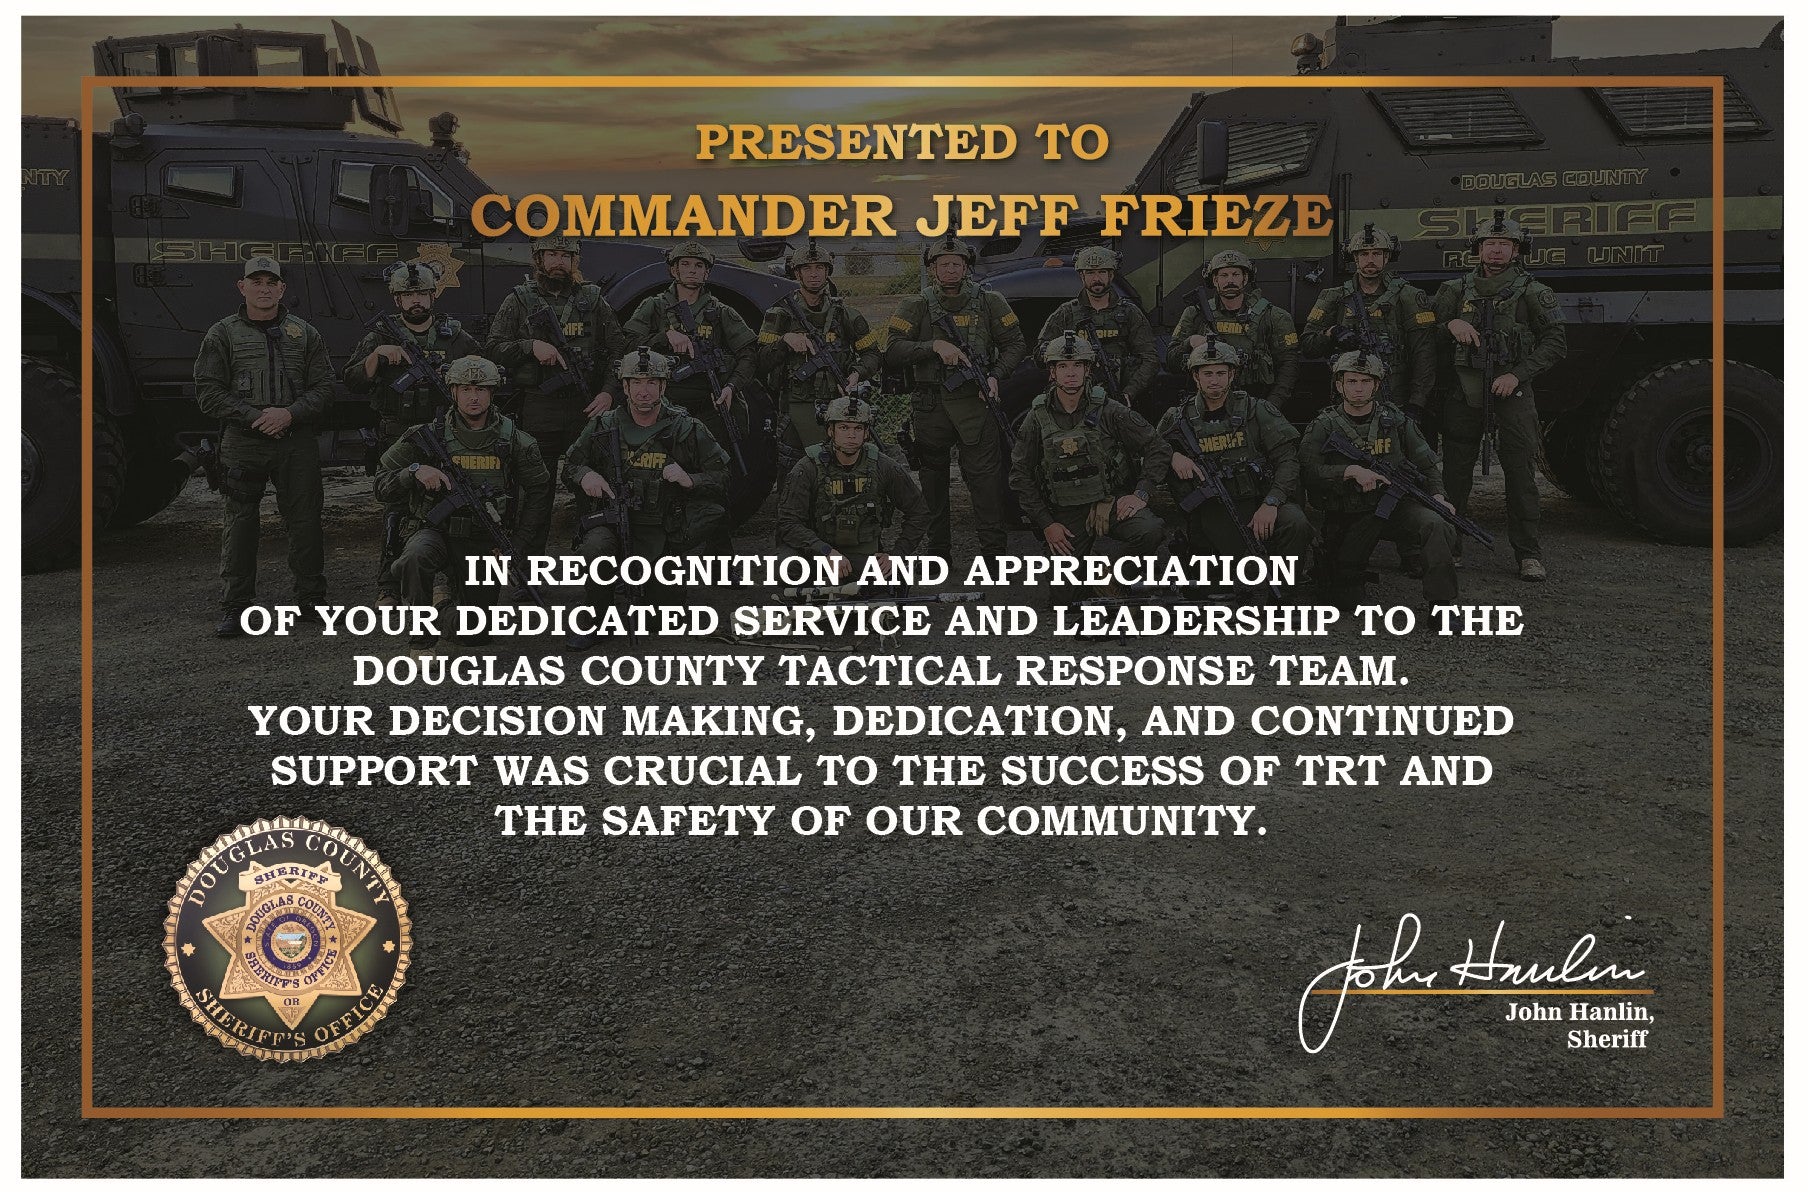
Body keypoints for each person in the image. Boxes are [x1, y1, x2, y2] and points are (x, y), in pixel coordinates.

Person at [192, 256, 332, 638]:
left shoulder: (305, 334)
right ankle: (236, 606)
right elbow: (208, 392)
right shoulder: (222, 334)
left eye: (272, 282)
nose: (264, 289)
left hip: (295, 441)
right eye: (256, 282)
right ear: (242, 287)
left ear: (282, 289)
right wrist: (255, 417)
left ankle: (311, 599)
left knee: (305, 522)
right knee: (240, 524)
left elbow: (324, 388)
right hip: (244, 442)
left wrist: (289, 414)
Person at [373, 355, 552, 648]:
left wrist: (516, 546)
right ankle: (422, 637)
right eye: (466, 389)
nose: (474, 397)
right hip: (435, 531)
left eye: (481, 389)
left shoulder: (516, 440)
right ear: (453, 392)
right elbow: (381, 485)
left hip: (482, 541)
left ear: (492, 392)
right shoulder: (426, 436)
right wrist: (414, 471)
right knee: (414, 556)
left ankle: (441, 600)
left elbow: (539, 493)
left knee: (474, 635)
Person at [1432, 210, 1568, 581]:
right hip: (1464, 391)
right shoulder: (1455, 290)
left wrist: (1516, 374)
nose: (1496, 250)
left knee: (1521, 474)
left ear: (1517, 250)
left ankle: (1528, 553)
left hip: (1512, 391)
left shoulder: (1533, 293)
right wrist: (1451, 324)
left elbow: (1556, 342)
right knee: (1455, 474)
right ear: (1478, 249)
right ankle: (1451, 545)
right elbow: (1426, 334)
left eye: (1504, 244)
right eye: (1489, 243)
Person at [559, 348, 730, 642]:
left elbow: (722, 476)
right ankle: (597, 617)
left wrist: (690, 479)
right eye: (636, 382)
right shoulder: (604, 424)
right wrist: (585, 475)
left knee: (663, 621)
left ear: (663, 386)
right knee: (596, 548)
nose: (644, 391)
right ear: (624, 387)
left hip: (662, 529)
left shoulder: (686, 428)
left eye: (652, 382)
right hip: (613, 523)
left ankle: (657, 587)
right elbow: (571, 465)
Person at [1299, 224, 1439, 577]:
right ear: (1353, 258)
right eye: (1363, 254)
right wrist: (1333, 333)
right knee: (1348, 466)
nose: (1370, 260)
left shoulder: (1408, 297)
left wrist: (1416, 404)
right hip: (1351, 400)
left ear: (1387, 257)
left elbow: (1424, 355)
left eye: (1377, 253)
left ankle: (1410, 549)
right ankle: (1342, 541)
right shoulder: (1335, 297)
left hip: (1397, 397)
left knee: (1402, 471)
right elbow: (1308, 344)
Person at [342, 260, 480, 603]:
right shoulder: (381, 336)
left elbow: (482, 371)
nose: (415, 300)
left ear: (433, 296)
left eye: (421, 293)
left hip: (444, 434)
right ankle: (388, 584)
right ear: (397, 299)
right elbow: (352, 381)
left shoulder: (455, 336)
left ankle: (442, 582)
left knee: (449, 504)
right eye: (408, 295)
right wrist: (377, 356)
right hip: (399, 434)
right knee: (396, 508)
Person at [882, 233, 1027, 560]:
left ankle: (993, 555)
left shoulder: (989, 301)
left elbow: (1015, 344)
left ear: (966, 267)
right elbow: (893, 350)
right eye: (943, 264)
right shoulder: (915, 305)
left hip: (976, 402)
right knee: (933, 485)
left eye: (956, 263)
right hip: (931, 405)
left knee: (986, 484)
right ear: (932, 269)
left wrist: (995, 374)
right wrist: (933, 346)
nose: (950, 269)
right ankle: (937, 553)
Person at [1298, 352, 1458, 609]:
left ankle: (1441, 604)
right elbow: (1308, 472)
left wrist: (1438, 496)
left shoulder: (1395, 421)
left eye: (1365, 381)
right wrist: (1349, 471)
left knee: (1435, 523)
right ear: (1339, 385)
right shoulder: (1324, 425)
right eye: (1352, 381)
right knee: (1345, 598)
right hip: (1349, 513)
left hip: (1395, 508)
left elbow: (1427, 464)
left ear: (1376, 385)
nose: (1358, 388)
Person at [1156, 338, 1313, 589]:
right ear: (1195, 377)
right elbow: (1151, 455)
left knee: (1295, 522)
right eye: (1207, 374)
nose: (1214, 380)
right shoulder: (1177, 417)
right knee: (1223, 584)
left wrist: (1271, 503)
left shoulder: (1257, 410)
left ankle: (1285, 588)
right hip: (1211, 509)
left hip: (1258, 500)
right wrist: (1172, 456)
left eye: (1221, 373)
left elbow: (1288, 461)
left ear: (1232, 375)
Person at [1009, 332, 1168, 562]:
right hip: (1065, 510)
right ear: (1052, 372)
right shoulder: (1037, 418)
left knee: (1150, 530)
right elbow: (1020, 475)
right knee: (1064, 583)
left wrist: (1140, 493)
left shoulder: (1109, 409)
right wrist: (1047, 524)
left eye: (1077, 365)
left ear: (1088, 370)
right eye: (1063, 366)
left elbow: (1156, 446)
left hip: (1109, 501)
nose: (1071, 373)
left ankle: (1116, 574)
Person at [484, 233, 625, 464]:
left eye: (565, 256)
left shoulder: (592, 299)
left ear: (574, 261)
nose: (559, 262)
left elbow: (618, 347)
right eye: (552, 255)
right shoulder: (519, 299)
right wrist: (531, 346)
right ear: (539, 259)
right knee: (538, 477)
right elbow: (493, 348)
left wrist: (608, 392)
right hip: (539, 406)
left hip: (585, 403)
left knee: (587, 473)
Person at [621, 241, 757, 472]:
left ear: (707, 273)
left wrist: (731, 387)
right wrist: (665, 337)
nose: (692, 270)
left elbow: (749, 354)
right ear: (674, 270)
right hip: (663, 403)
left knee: (715, 467)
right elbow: (628, 345)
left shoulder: (721, 312)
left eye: (698, 265)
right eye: (685, 264)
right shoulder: (654, 307)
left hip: (710, 402)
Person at [775, 393, 928, 582]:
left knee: (897, 576)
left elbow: (919, 512)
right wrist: (825, 551)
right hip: (818, 553)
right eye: (843, 427)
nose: (851, 435)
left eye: (858, 428)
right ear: (830, 431)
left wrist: (897, 555)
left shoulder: (883, 466)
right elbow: (788, 522)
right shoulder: (807, 468)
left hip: (861, 554)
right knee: (786, 566)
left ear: (866, 433)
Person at [755, 238, 881, 454]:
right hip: (795, 403)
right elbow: (759, 361)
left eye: (819, 268)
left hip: (839, 403)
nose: (814, 274)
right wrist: (785, 341)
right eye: (807, 268)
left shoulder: (845, 315)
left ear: (827, 272)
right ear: (797, 273)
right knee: (794, 461)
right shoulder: (780, 314)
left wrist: (856, 375)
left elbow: (873, 355)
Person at [1165, 249, 1300, 406]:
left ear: (1245, 278)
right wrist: (1189, 342)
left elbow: (1289, 366)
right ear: (1215, 280)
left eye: (1235, 274)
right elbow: (1171, 362)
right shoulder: (1195, 314)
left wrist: (1271, 406)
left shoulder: (1273, 316)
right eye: (1224, 275)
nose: (1230, 280)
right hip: (1207, 405)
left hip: (1256, 402)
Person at [1034, 245, 1159, 407]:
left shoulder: (1129, 313)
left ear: (1111, 275)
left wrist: (1129, 393)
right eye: (1090, 273)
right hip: (1076, 401)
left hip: (1119, 398)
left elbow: (1150, 359)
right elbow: (1039, 356)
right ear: (1082, 276)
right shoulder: (1066, 313)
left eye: (1102, 272)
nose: (1096, 278)